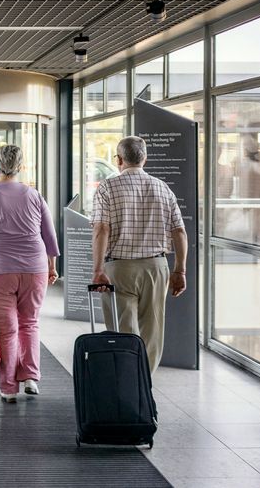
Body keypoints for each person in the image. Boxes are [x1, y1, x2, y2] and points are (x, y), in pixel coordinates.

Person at [0, 145, 59, 403]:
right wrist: (51, 265)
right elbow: (49, 234)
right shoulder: (34, 195)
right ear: (20, 167)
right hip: (35, 268)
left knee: (6, 331)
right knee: (29, 323)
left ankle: (8, 389)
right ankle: (30, 376)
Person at [91, 136, 187, 374]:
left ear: (119, 159)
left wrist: (98, 270)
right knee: (152, 332)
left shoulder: (107, 187)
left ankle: (126, 384)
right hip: (156, 267)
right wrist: (180, 270)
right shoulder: (162, 188)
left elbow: (101, 228)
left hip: (119, 268)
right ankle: (145, 383)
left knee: (123, 331)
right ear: (145, 158)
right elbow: (179, 231)